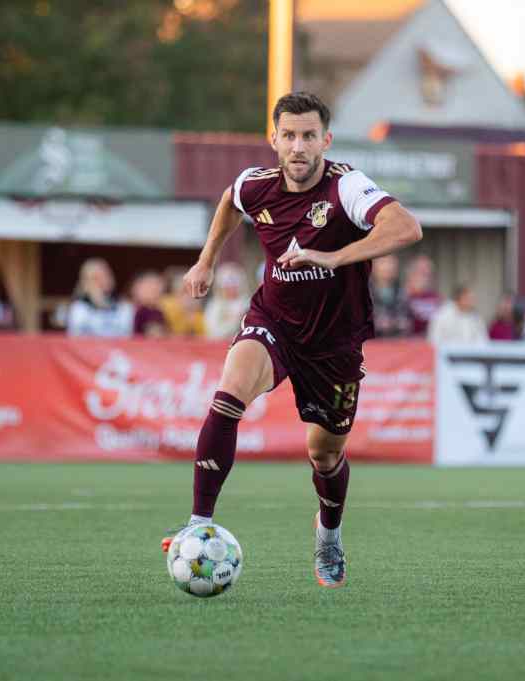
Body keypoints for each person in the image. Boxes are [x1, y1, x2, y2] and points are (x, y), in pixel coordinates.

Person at [161, 92, 422, 588]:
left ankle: (328, 534)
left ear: (325, 139)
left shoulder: (346, 187)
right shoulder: (255, 186)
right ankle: (197, 525)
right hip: (273, 321)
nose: (298, 146)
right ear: (274, 139)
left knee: (324, 455)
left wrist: (334, 257)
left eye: (308, 136)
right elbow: (229, 202)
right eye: (289, 136)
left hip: (335, 343)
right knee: (230, 390)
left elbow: (406, 227)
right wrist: (206, 260)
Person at [65, 258, 133, 337]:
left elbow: (126, 335)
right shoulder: (79, 307)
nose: (104, 279)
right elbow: (75, 335)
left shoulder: (123, 306)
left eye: (107, 275)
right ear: (87, 280)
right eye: (97, 277)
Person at [203, 262, 250, 339]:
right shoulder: (215, 305)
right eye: (227, 284)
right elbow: (213, 331)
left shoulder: (247, 303)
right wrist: (235, 321)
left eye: (234, 283)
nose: (231, 288)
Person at [370, 254, 411, 337]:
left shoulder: (403, 292)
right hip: (370, 343)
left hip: (397, 342)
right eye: (383, 263)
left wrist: (400, 322)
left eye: (391, 263)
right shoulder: (363, 291)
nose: (388, 267)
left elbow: (408, 318)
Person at [160, 265, 206, 337]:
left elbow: (204, 334)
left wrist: (192, 317)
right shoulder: (166, 304)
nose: (188, 297)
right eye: (184, 292)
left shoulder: (199, 312)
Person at [403, 254, 441, 336]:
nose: (426, 277)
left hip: (430, 341)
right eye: (422, 272)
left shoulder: (435, 297)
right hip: (407, 342)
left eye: (428, 274)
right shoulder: (402, 296)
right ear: (410, 274)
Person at [131, 271, 168, 337]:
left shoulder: (159, 311)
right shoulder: (130, 310)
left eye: (157, 288)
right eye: (149, 287)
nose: (154, 291)